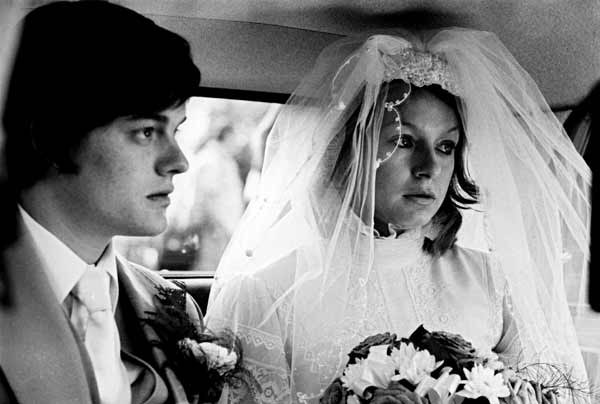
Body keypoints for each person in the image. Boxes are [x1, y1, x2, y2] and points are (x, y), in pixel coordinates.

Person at [206, 29, 593, 403]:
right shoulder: (265, 295)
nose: (429, 168)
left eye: (446, 146)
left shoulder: (493, 282)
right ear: (349, 150)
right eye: (405, 141)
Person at [0, 2, 203, 403]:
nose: (178, 162)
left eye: (176, 131)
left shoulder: (175, 308)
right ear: (51, 138)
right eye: (146, 132)